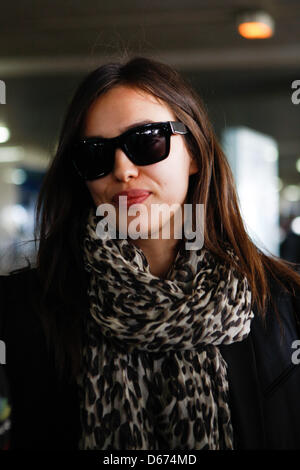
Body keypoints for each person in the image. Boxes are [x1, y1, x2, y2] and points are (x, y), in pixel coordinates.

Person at [1, 56, 300, 451]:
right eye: (95, 154)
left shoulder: (283, 304)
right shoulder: (24, 309)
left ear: (193, 152)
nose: (122, 168)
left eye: (147, 141)